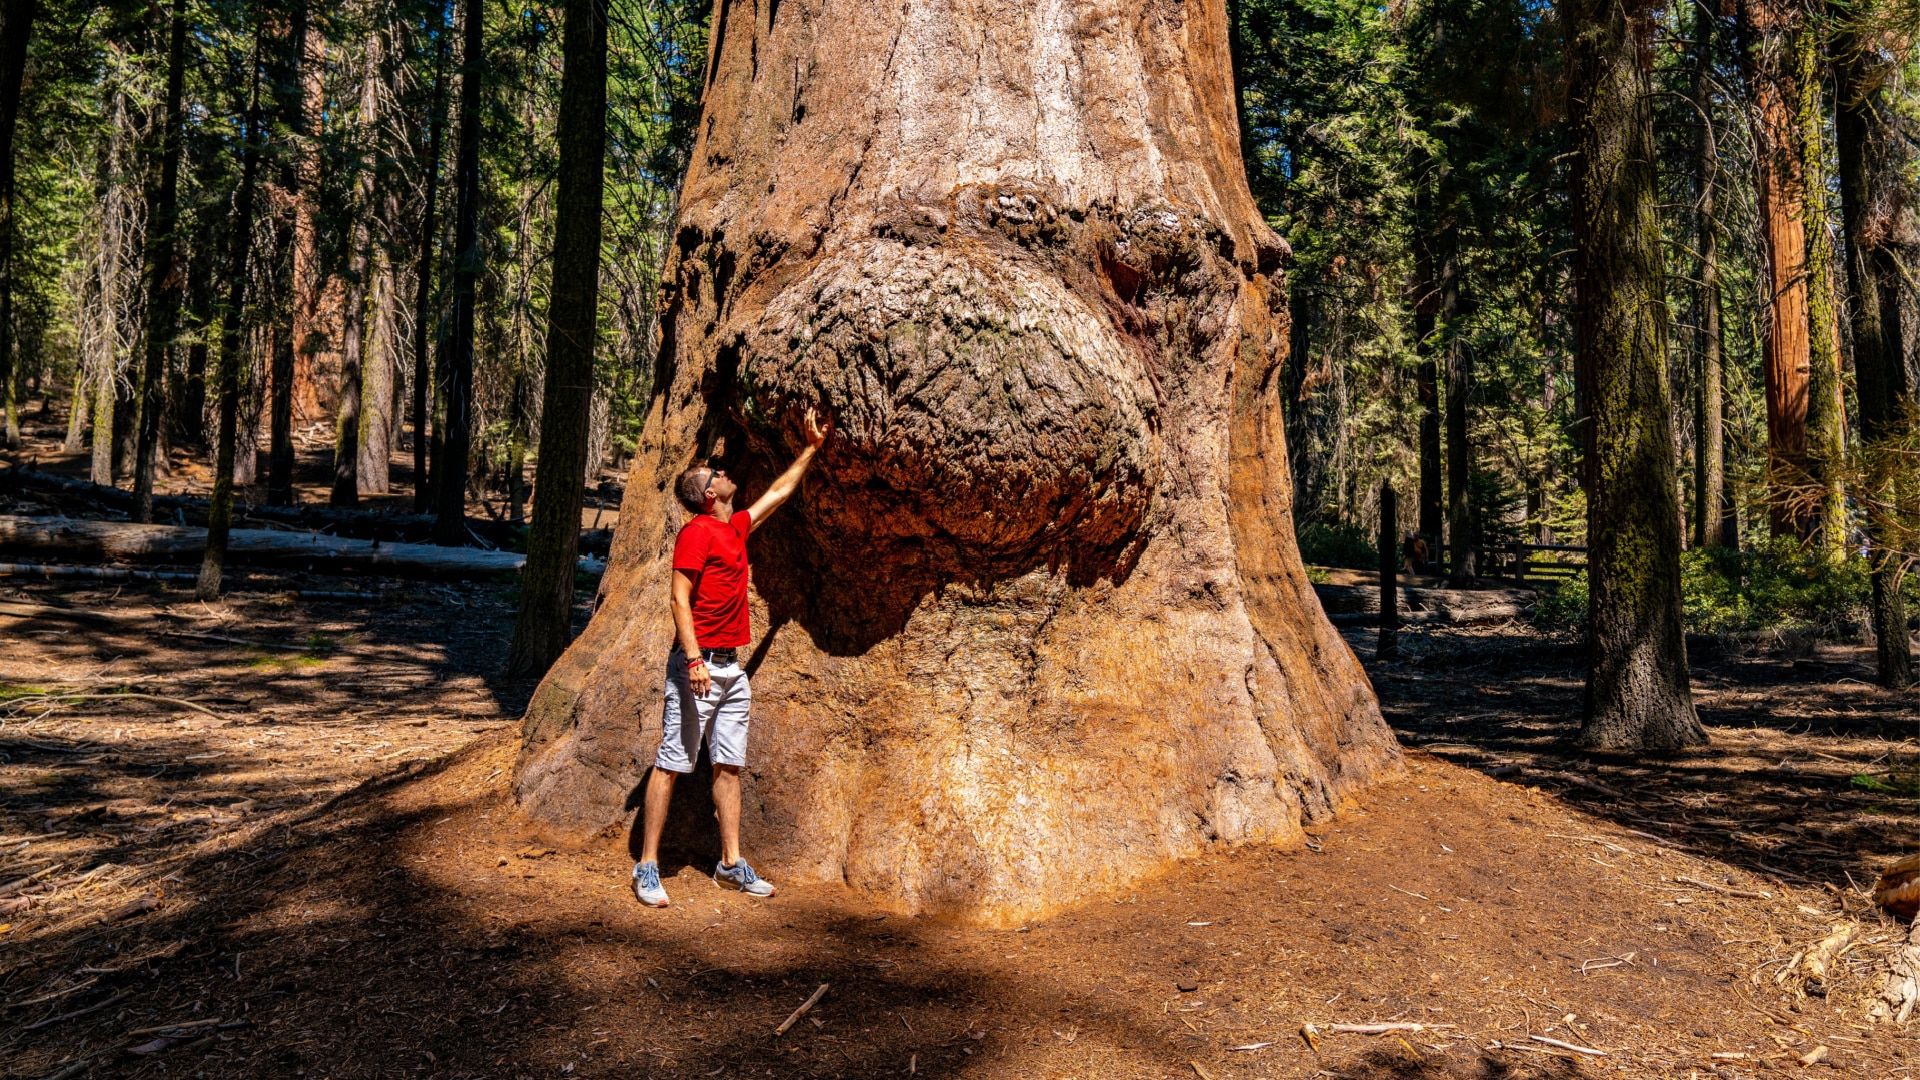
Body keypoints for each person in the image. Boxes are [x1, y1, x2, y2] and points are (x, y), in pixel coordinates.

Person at [631, 408, 831, 908]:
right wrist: (694, 660)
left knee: (729, 766)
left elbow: (778, 496)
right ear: (708, 495)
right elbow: (679, 597)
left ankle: (729, 864)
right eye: (717, 474)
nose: (725, 473)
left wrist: (812, 448)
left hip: (731, 668)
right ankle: (648, 866)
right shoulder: (696, 532)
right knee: (672, 762)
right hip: (695, 668)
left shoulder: (735, 528)